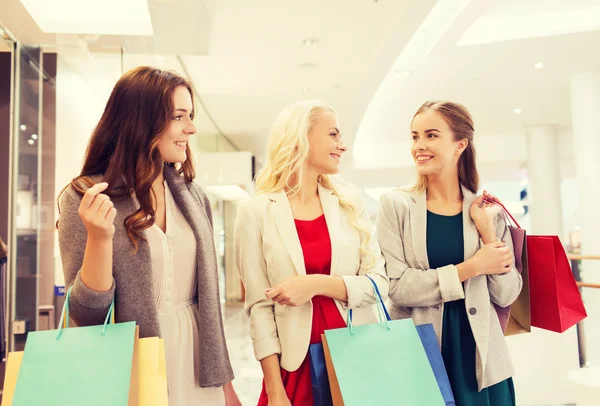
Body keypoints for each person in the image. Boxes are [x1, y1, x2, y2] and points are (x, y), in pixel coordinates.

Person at [57, 66, 241, 406]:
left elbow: (207, 301)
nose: (191, 127)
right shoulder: (85, 196)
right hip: (134, 361)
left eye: (191, 115)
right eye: (179, 117)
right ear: (142, 122)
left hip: (198, 362)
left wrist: (225, 384)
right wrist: (99, 238)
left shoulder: (194, 196)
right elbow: (86, 314)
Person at [234, 101, 389, 406]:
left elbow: (379, 283)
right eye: (333, 135)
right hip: (292, 369)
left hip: (353, 359)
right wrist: (275, 390)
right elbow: (259, 307)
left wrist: (316, 284)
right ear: (300, 138)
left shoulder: (349, 202)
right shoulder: (255, 211)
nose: (342, 146)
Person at [377, 100, 522, 405]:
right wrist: (471, 267)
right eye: (415, 136)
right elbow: (399, 288)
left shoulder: (488, 212)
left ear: (460, 145)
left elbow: (507, 294)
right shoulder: (396, 206)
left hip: (484, 365)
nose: (419, 145)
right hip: (422, 357)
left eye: (431, 135)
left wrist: (486, 232)